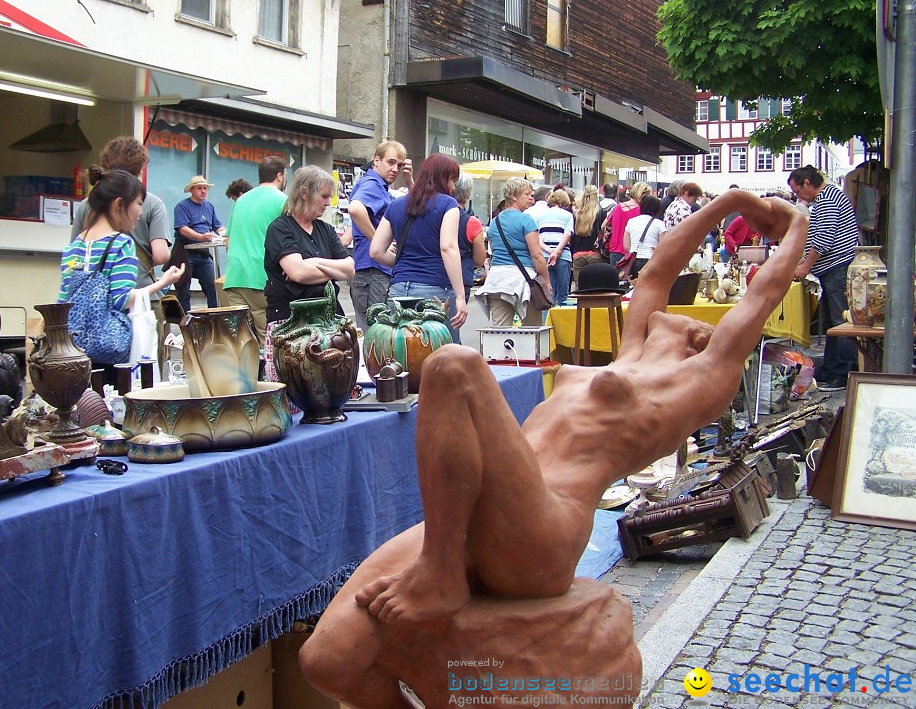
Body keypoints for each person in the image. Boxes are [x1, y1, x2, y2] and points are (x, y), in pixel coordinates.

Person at [299, 190, 809, 708]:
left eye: (697, 326)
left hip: (542, 532)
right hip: (479, 512)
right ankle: (441, 566)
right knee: (327, 660)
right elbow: (658, 269)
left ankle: (441, 573)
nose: (672, 314)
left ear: (703, 339)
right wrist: (730, 203)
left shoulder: (700, 379)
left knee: (454, 366)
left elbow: (764, 293)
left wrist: (796, 222)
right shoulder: (630, 355)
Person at [60, 171, 183, 382]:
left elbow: (63, 301)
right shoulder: (121, 244)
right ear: (119, 204)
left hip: (74, 351)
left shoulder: (73, 247)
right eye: (138, 203)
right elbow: (121, 299)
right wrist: (163, 283)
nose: (140, 212)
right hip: (110, 352)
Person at [72, 138, 172, 364]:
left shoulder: (87, 205)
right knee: (143, 378)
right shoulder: (151, 203)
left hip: (93, 312)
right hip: (141, 301)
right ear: (139, 169)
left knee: (98, 382)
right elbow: (160, 255)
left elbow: (75, 262)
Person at [264, 166, 354, 378]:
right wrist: (332, 268)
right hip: (289, 323)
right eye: (323, 196)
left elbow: (349, 269)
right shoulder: (280, 228)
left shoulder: (326, 230)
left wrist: (312, 261)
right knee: (291, 392)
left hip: (328, 321)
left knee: (330, 384)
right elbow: (299, 274)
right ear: (304, 193)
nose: (327, 202)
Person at [369, 153, 468, 337]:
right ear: (443, 178)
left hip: (398, 290)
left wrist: (403, 263)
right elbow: (448, 248)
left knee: (402, 354)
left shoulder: (396, 205)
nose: (453, 187)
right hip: (435, 290)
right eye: (452, 180)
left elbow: (376, 251)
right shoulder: (448, 205)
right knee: (442, 355)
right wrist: (461, 296)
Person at [788, 164, 860, 391]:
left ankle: (842, 373)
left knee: (840, 323)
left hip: (837, 268)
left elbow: (824, 238)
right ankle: (831, 370)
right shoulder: (826, 198)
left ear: (807, 183)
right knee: (832, 323)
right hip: (833, 268)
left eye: (798, 191)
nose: (798, 196)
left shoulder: (828, 199)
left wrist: (806, 265)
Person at [221, 156, 288, 336]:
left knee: (240, 342)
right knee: (267, 341)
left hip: (235, 278)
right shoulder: (283, 200)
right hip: (262, 280)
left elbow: (228, 241)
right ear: (280, 176)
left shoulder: (241, 201)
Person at [347, 141, 409, 332]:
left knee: (377, 333)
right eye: (390, 162)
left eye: (399, 165)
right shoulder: (373, 184)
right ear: (376, 161)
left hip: (372, 270)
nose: (395, 169)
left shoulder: (377, 185)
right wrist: (378, 241)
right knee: (376, 334)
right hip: (372, 271)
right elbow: (355, 209)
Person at [474, 178, 552, 326]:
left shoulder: (494, 222)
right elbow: (537, 255)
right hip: (523, 281)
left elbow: (493, 248)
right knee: (531, 332)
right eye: (527, 194)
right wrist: (546, 281)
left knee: (500, 334)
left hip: (497, 281)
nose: (531, 197)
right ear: (514, 196)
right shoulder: (526, 220)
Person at [174, 175, 225, 311]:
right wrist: (201, 237)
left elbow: (218, 227)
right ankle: (186, 324)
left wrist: (228, 234)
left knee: (213, 289)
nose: (203, 191)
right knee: (183, 291)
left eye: (205, 188)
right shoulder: (182, 206)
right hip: (186, 254)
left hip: (204, 253)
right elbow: (183, 229)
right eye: (200, 188)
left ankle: (214, 322)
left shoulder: (209, 206)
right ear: (192, 190)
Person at [451, 175, 487, 343]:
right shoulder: (471, 222)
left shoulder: (436, 215)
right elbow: (480, 260)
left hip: (434, 276)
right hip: (462, 279)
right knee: (453, 330)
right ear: (468, 193)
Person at [533, 188, 573, 306]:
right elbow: (567, 234)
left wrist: (549, 250)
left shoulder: (540, 215)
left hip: (544, 256)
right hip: (563, 255)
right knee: (562, 296)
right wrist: (557, 251)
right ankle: (561, 322)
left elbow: (536, 238)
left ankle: (547, 322)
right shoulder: (568, 215)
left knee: (548, 294)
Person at [604, 181, 651, 267]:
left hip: (614, 250)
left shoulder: (617, 207)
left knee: (616, 279)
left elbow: (604, 225)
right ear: (642, 194)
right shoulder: (640, 211)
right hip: (630, 252)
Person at [569, 184, 607, 287]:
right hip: (595, 254)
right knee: (595, 286)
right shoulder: (600, 213)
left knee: (580, 287)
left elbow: (572, 236)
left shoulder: (577, 214)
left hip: (578, 254)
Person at [623, 194, 665, 280]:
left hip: (634, 261)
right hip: (651, 261)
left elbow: (626, 246)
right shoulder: (659, 224)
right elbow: (662, 248)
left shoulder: (631, 221)